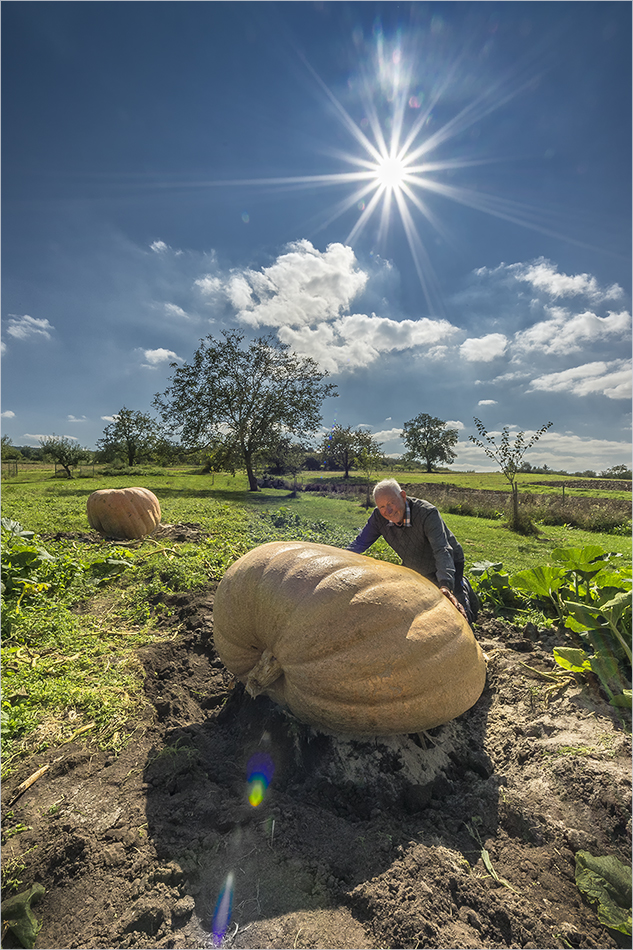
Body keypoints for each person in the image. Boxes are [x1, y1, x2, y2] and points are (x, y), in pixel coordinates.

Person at [346, 478, 478, 624]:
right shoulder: (378, 517)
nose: (388, 511)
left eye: (391, 503)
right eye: (382, 506)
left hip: (448, 562)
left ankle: (464, 596)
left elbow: (442, 550)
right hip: (415, 563)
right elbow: (359, 543)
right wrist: (339, 558)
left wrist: (446, 584)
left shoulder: (427, 513)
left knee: (457, 609)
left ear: (403, 496)